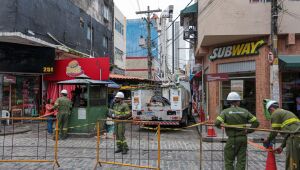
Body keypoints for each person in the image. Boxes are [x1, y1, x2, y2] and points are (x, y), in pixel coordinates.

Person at [215, 92, 259, 170]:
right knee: (241, 160)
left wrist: (221, 126)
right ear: (238, 101)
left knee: (229, 160)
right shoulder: (245, 111)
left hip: (232, 139)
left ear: (229, 102)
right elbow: (256, 122)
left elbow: (217, 123)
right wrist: (248, 131)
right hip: (243, 139)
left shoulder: (225, 112)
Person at [263, 99, 300, 170]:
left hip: (295, 139)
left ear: (271, 109)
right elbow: (289, 134)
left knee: (292, 162)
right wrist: (282, 147)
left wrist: (268, 140)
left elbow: (274, 131)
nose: (271, 114)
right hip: (295, 137)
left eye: (269, 112)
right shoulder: (287, 113)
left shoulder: (275, 113)